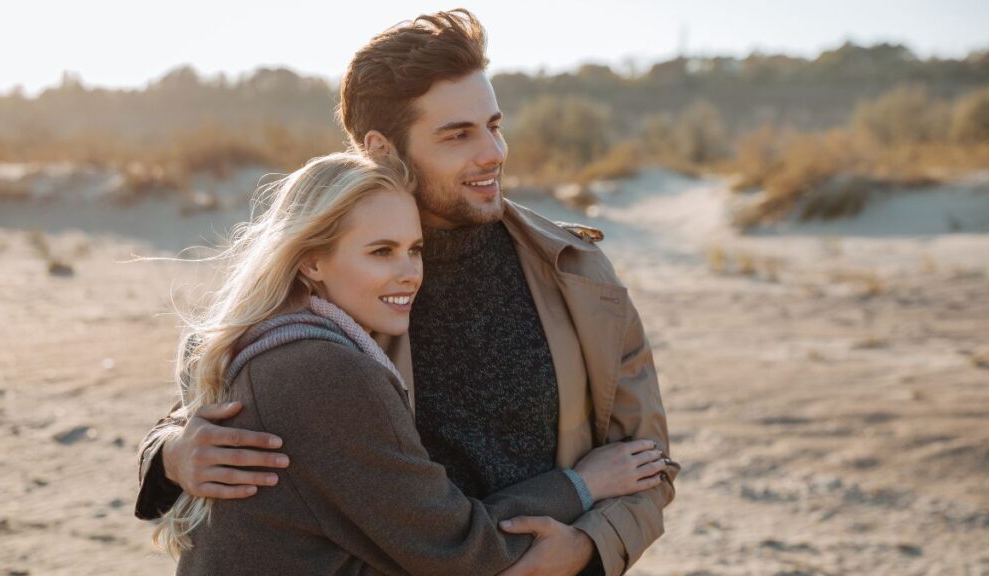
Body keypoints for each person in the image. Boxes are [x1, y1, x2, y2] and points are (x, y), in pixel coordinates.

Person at [138, 10, 679, 575]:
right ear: (383, 148)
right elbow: (215, 400)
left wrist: (587, 552)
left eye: (494, 124)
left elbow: (646, 462)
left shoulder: (578, 272)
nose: (493, 152)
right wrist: (170, 455)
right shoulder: (327, 285)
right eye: (457, 135)